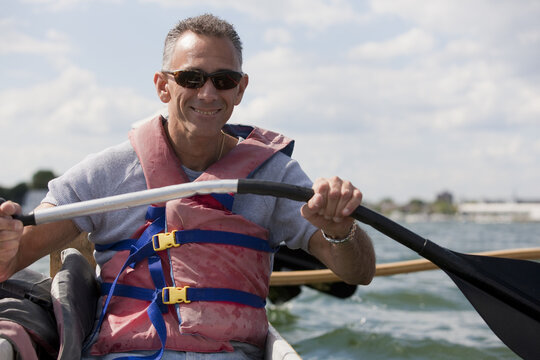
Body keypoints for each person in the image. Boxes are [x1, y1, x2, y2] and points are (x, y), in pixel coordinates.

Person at [0, 14, 376, 360]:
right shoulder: (107, 173)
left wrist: (341, 231)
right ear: (163, 86)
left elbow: (358, 272)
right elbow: (13, 258)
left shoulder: (275, 176)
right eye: (191, 78)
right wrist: (7, 242)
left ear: (240, 89)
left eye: (223, 80)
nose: (208, 94)